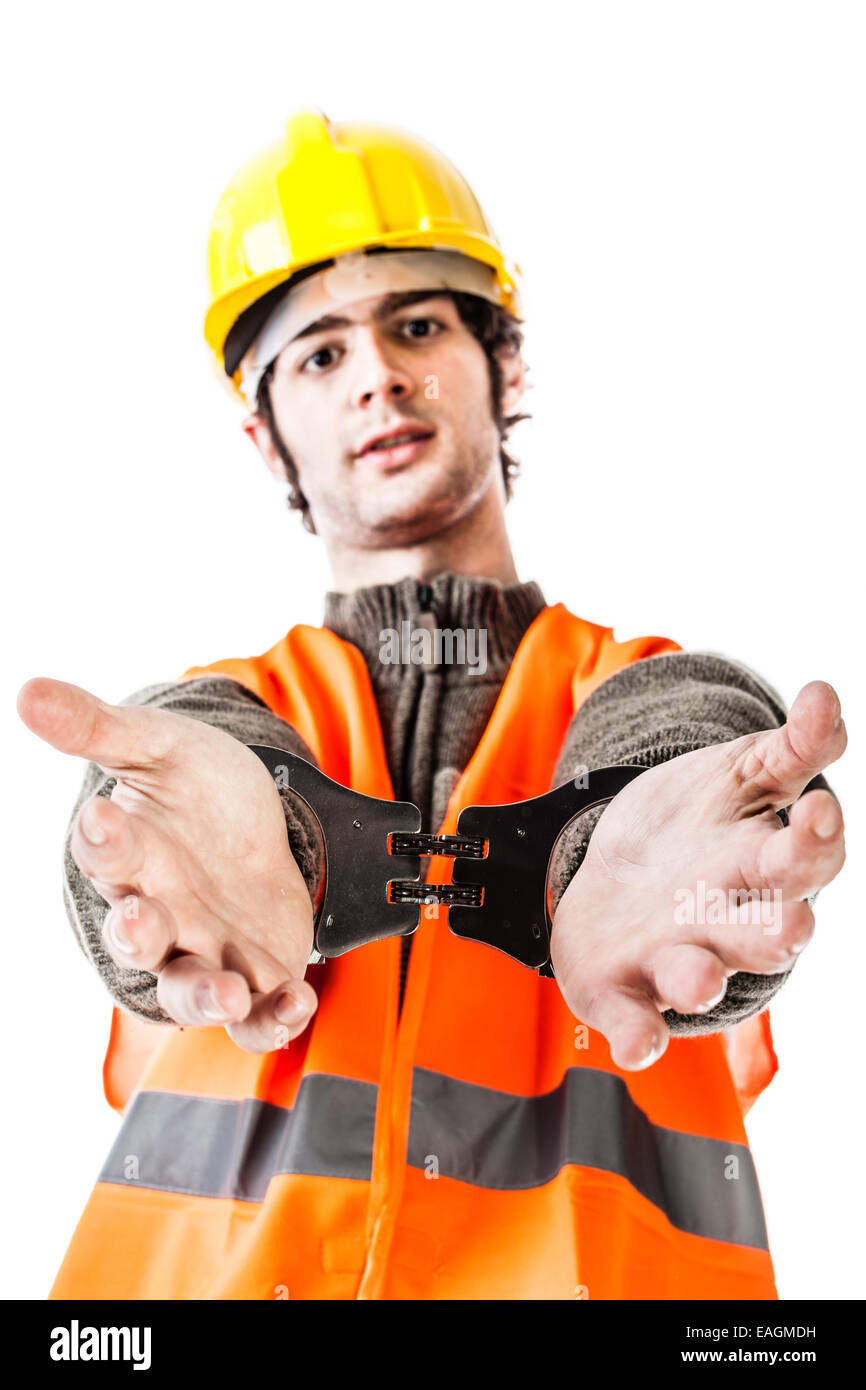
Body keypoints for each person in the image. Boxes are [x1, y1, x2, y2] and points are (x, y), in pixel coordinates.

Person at [18, 109, 846, 1300]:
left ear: (502, 365)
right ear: (265, 439)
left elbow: (680, 730)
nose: (377, 377)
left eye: (414, 325)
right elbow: (197, 764)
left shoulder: (633, 688)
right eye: (318, 354)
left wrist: (599, 838)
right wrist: (211, 853)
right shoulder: (230, 719)